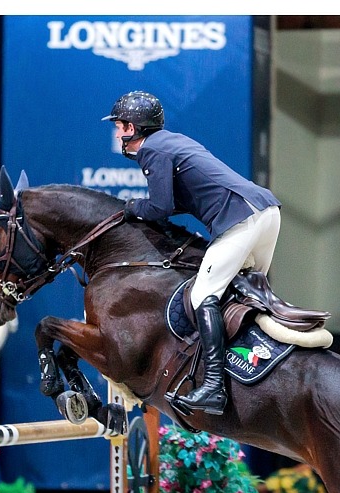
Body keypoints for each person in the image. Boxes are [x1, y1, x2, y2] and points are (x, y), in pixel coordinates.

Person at [102, 90, 281, 416]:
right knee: (246, 296)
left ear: (134, 127)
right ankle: (254, 366)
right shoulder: (171, 141)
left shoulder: (152, 150)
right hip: (266, 212)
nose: (117, 133)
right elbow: (181, 200)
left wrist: (132, 208)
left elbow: (160, 206)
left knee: (203, 295)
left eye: (120, 126)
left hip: (241, 218)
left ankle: (213, 387)